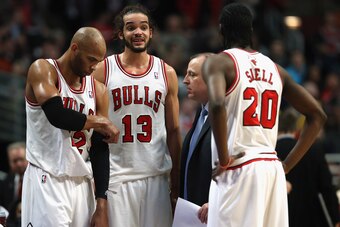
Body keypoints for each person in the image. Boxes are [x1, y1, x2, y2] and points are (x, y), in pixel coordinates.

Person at [202, 3, 327, 227]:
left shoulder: (218, 62)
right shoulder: (276, 68)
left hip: (238, 167)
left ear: (221, 29)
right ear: (251, 31)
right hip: (272, 170)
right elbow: (317, 115)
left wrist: (223, 159)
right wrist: (286, 166)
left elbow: (217, 105)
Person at [92, 4, 182, 227]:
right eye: (131, 28)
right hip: (117, 178)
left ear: (151, 32)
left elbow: (173, 130)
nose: (138, 32)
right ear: (121, 34)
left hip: (156, 177)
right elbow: (93, 128)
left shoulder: (166, 72)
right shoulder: (104, 70)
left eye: (143, 27)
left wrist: (177, 182)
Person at [22, 27, 120, 227]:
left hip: (82, 183)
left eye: (99, 61)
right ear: (75, 48)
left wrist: (101, 202)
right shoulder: (43, 70)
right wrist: (100, 121)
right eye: (91, 59)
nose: (94, 67)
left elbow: (100, 149)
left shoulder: (99, 90)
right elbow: (57, 115)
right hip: (47, 177)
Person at [276, 108, 340, 227]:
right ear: (298, 129)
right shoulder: (313, 149)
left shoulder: (269, 152)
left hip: (280, 218)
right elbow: (327, 187)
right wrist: (335, 217)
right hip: (311, 219)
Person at [180, 53, 213, 224]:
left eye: (192, 74)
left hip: (213, 215)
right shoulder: (201, 112)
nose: (185, 80)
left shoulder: (229, 116)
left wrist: (217, 201)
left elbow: (239, 168)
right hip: (192, 215)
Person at [0, 142, 27, 226]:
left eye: (21, 159)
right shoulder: (5, 182)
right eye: (15, 161)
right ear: (9, 162)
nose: (18, 164)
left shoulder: (38, 181)